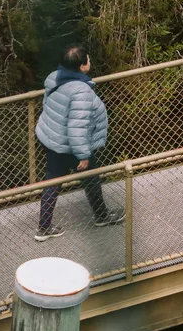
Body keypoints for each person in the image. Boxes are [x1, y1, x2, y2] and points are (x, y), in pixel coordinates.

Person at [33, 44, 124, 240]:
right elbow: (78, 126)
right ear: (82, 66)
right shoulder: (81, 91)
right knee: (91, 178)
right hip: (72, 145)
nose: (90, 62)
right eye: (88, 60)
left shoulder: (54, 78)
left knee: (53, 181)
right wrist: (82, 155)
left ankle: (44, 227)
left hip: (54, 140)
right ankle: (101, 215)